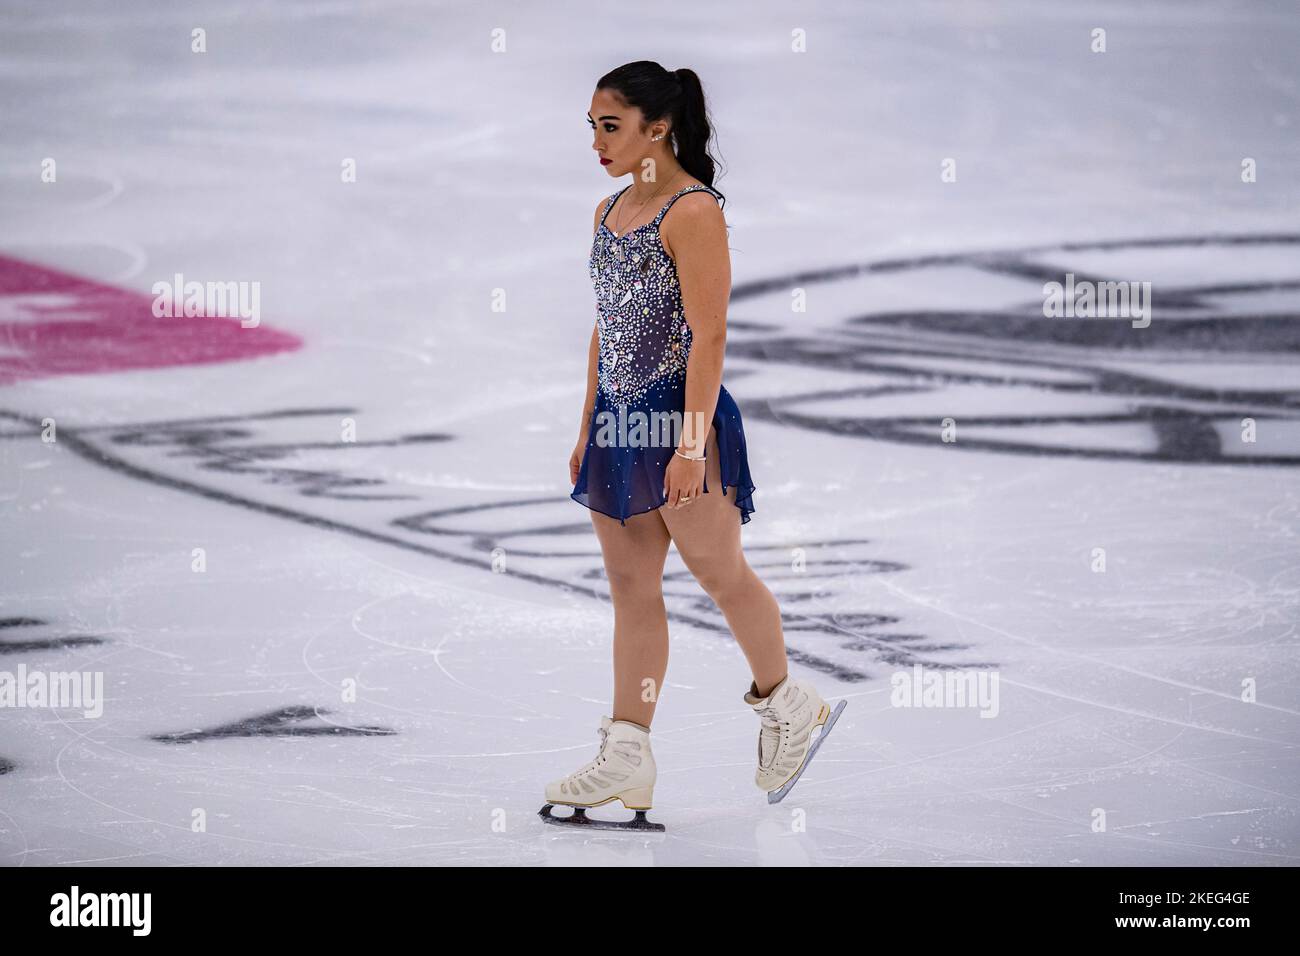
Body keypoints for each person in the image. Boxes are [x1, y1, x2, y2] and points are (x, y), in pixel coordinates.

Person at [540, 61, 845, 832]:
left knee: (720, 574)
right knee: (631, 591)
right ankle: (628, 751)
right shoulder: (609, 211)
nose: (598, 143)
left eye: (611, 126)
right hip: (618, 425)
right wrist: (587, 423)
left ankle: (788, 701)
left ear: (657, 127)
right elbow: (607, 327)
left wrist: (690, 444)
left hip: (683, 424)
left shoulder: (692, 210)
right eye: (593, 127)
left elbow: (710, 336)